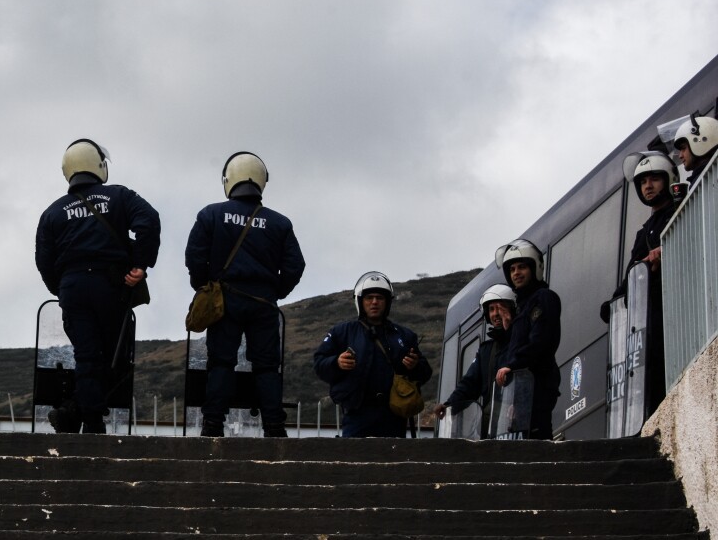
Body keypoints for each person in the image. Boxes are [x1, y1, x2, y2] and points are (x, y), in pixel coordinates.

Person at [35, 138, 161, 434]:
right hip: (110, 285)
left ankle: (81, 416)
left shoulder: (52, 212)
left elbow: (43, 260)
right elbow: (149, 221)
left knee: (88, 355)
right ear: (99, 166)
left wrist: (62, 288)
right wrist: (140, 266)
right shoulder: (119, 196)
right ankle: (84, 417)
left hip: (73, 287)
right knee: (116, 356)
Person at [184, 152, 305, 438]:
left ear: (229, 180)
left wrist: (204, 287)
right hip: (263, 303)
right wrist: (275, 292)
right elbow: (295, 265)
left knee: (221, 362)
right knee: (266, 367)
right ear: (262, 181)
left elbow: (194, 256)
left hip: (224, 300)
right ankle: (274, 427)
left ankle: (213, 425)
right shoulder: (280, 223)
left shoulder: (210, 214)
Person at [600, 151, 681, 416]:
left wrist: (663, 249)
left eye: (654, 179)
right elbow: (631, 272)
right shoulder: (643, 231)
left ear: (668, 179)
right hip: (648, 319)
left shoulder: (682, 208)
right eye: (643, 181)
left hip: (674, 311)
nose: (648, 186)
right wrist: (615, 302)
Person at [313, 272, 431, 438]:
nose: (374, 302)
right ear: (360, 301)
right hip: (357, 414)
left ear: (387, 302)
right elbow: (319, 364)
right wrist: (336, 363)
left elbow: (426, 372)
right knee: (354, 460)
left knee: (394, 462)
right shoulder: (341, 332)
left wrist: (414, 366)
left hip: (394, 414)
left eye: (379, 298)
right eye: (369, 298)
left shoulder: (405, 336)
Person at [494, 239, 561, 440]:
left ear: (534, 268)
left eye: (522, 267)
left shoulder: (543, 297)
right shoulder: (522, 308)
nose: (516, 273)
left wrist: (513, 366)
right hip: (523, 388)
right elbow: (519, 347)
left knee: (538, 438)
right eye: (512, 269)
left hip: (538, 383)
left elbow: (541, 341)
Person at [434, 284, 515, 438]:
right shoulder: (486, 350)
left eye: (500, 308)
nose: (495, 314)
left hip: (515, 426)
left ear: (512, 308)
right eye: (491, 309)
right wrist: (449, 404)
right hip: (491, 428)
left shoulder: (521, 342)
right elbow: (469, 383)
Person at [673, 114, 718, 191]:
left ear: (701, 141)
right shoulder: (702, 178)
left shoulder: (712, 175)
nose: (680, 156)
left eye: (683, 148)